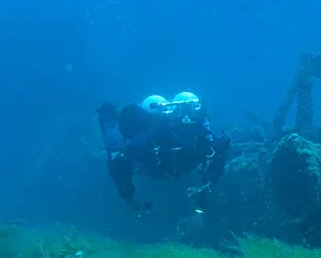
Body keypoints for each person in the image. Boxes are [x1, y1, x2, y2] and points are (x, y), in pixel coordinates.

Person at [97, 91, 230, 212]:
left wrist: (210, 185)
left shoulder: (205, 142)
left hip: (163, 165)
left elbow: (216, 153)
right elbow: (119, 160)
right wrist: (129, 198)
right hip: (156, 164)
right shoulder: (149, 138)